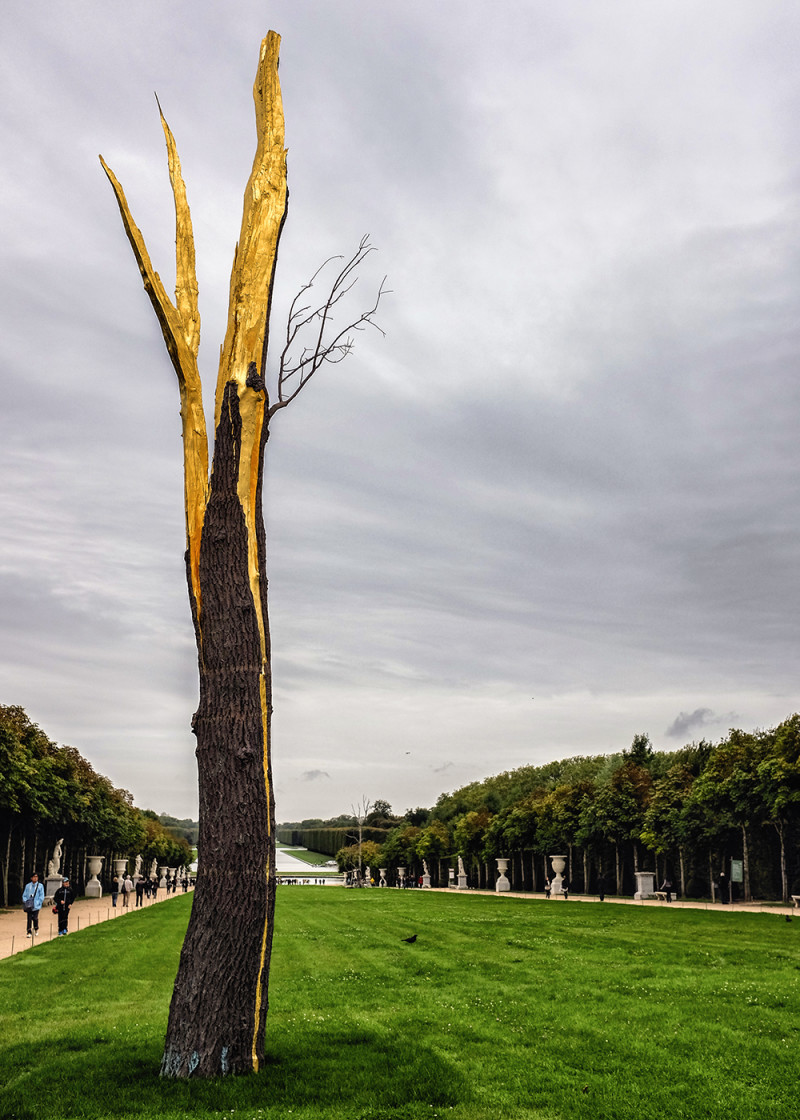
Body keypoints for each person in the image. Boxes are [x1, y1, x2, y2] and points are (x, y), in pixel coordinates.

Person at [22, 872, 45, 937]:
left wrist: (38, 902)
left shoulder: (40, 886)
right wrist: (26, 901)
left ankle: (36, 928)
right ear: (31, 878)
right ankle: (29, 931)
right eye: (34, 877)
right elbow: (24, 895)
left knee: (35, 918)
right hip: (29, 905)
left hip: (36, 905)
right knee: (29, 918)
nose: (35, 878)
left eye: (36, 877)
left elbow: (42, 895)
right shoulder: (28, 886)